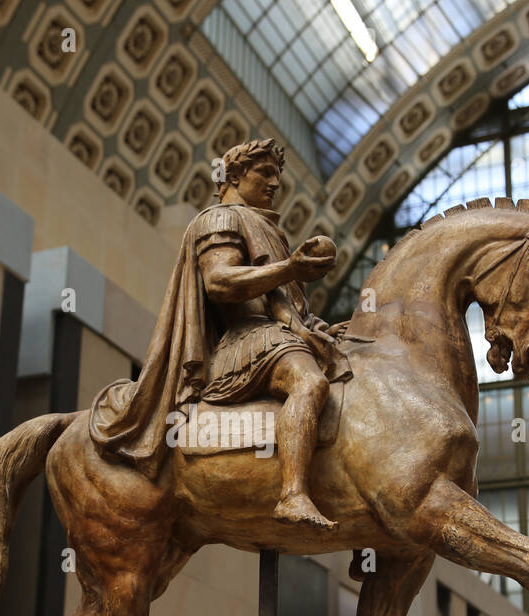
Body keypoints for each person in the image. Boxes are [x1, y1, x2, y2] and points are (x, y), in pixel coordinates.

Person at [88, 138, 351, 531]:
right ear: (233, 175)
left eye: (277, 176)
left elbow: (288, 309)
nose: (274, 184)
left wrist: (323, 329)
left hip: (276, 336)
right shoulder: (220, 218)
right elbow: (221, 282)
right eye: (264, 173)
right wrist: (291, 268)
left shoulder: (267, 229)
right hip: (243, 342)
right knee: (310, 382)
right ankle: (292, 494)